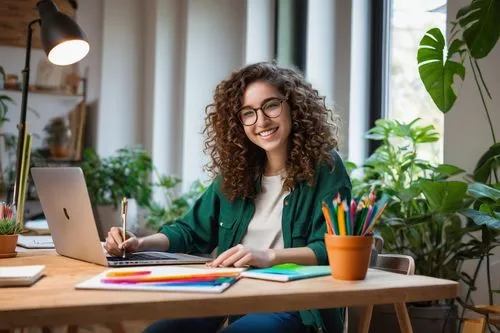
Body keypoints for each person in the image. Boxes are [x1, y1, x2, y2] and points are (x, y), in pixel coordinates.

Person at [105, 62, 351, 333]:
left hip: (295, 304)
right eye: (248, 113)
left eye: (271, 106)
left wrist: (267, 256)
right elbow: (189, 231)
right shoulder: (238, 173)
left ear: (294, 106)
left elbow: (331, 249)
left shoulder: (326, 168)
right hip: (230, 292)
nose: (261, 121)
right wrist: (140, 243)